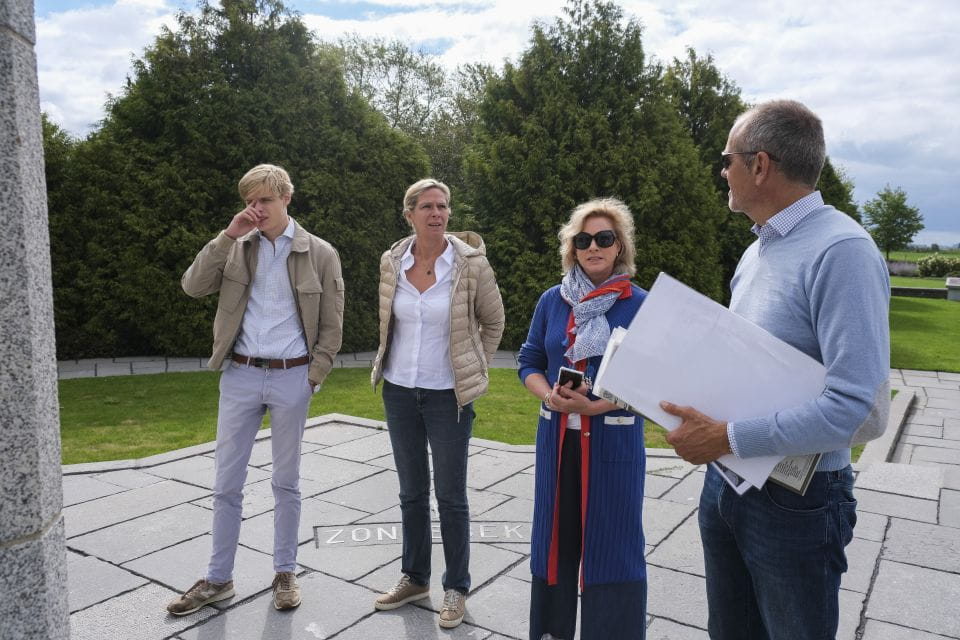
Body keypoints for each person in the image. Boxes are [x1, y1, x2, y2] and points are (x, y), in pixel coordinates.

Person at [661, 100, 890, 640]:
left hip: (797, 502)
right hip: (727, 483)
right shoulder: (756, 251)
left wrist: (727, 436)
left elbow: (861, 409)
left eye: (727, 160)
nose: (723, 171)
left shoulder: (843, 251)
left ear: (759, 165)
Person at [168, 164, 344, 615]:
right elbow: (192, 286)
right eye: (250, 201)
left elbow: (332, 324)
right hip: (241, 375)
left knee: (286, 482)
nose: (256, 208)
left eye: (265, 199)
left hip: (292, 376)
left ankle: (285, 572)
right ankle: (218, 578)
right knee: (226, 483)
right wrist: (228, 235)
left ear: (287, 198)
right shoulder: (235, 246)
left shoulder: (320, 252)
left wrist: (314, 377)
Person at [370, 178, 504, 629]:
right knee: (411, 492)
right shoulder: (392, 260)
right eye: (427, 206)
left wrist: (474, 367)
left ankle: (456, 587)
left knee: (450, 496)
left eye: (443, 206)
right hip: (399, 391)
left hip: (449, 396)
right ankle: (414, 578)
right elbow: (388, 320)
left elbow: (494, 321)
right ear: (409, 213)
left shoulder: (470, 263)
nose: (437, 213)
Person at [518, 198, 648, 640]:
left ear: (619, 246)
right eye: (584, 239)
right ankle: (551, 631)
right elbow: (529, 360)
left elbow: (652, 381)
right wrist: (549, 396)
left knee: (613, 545)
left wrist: (596, 406)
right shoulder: (552, 300)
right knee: (554, 540)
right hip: (557, 440)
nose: (594, 246)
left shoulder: (640, 305)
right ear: (572, 247)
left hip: (612, 444)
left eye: (604, 238)